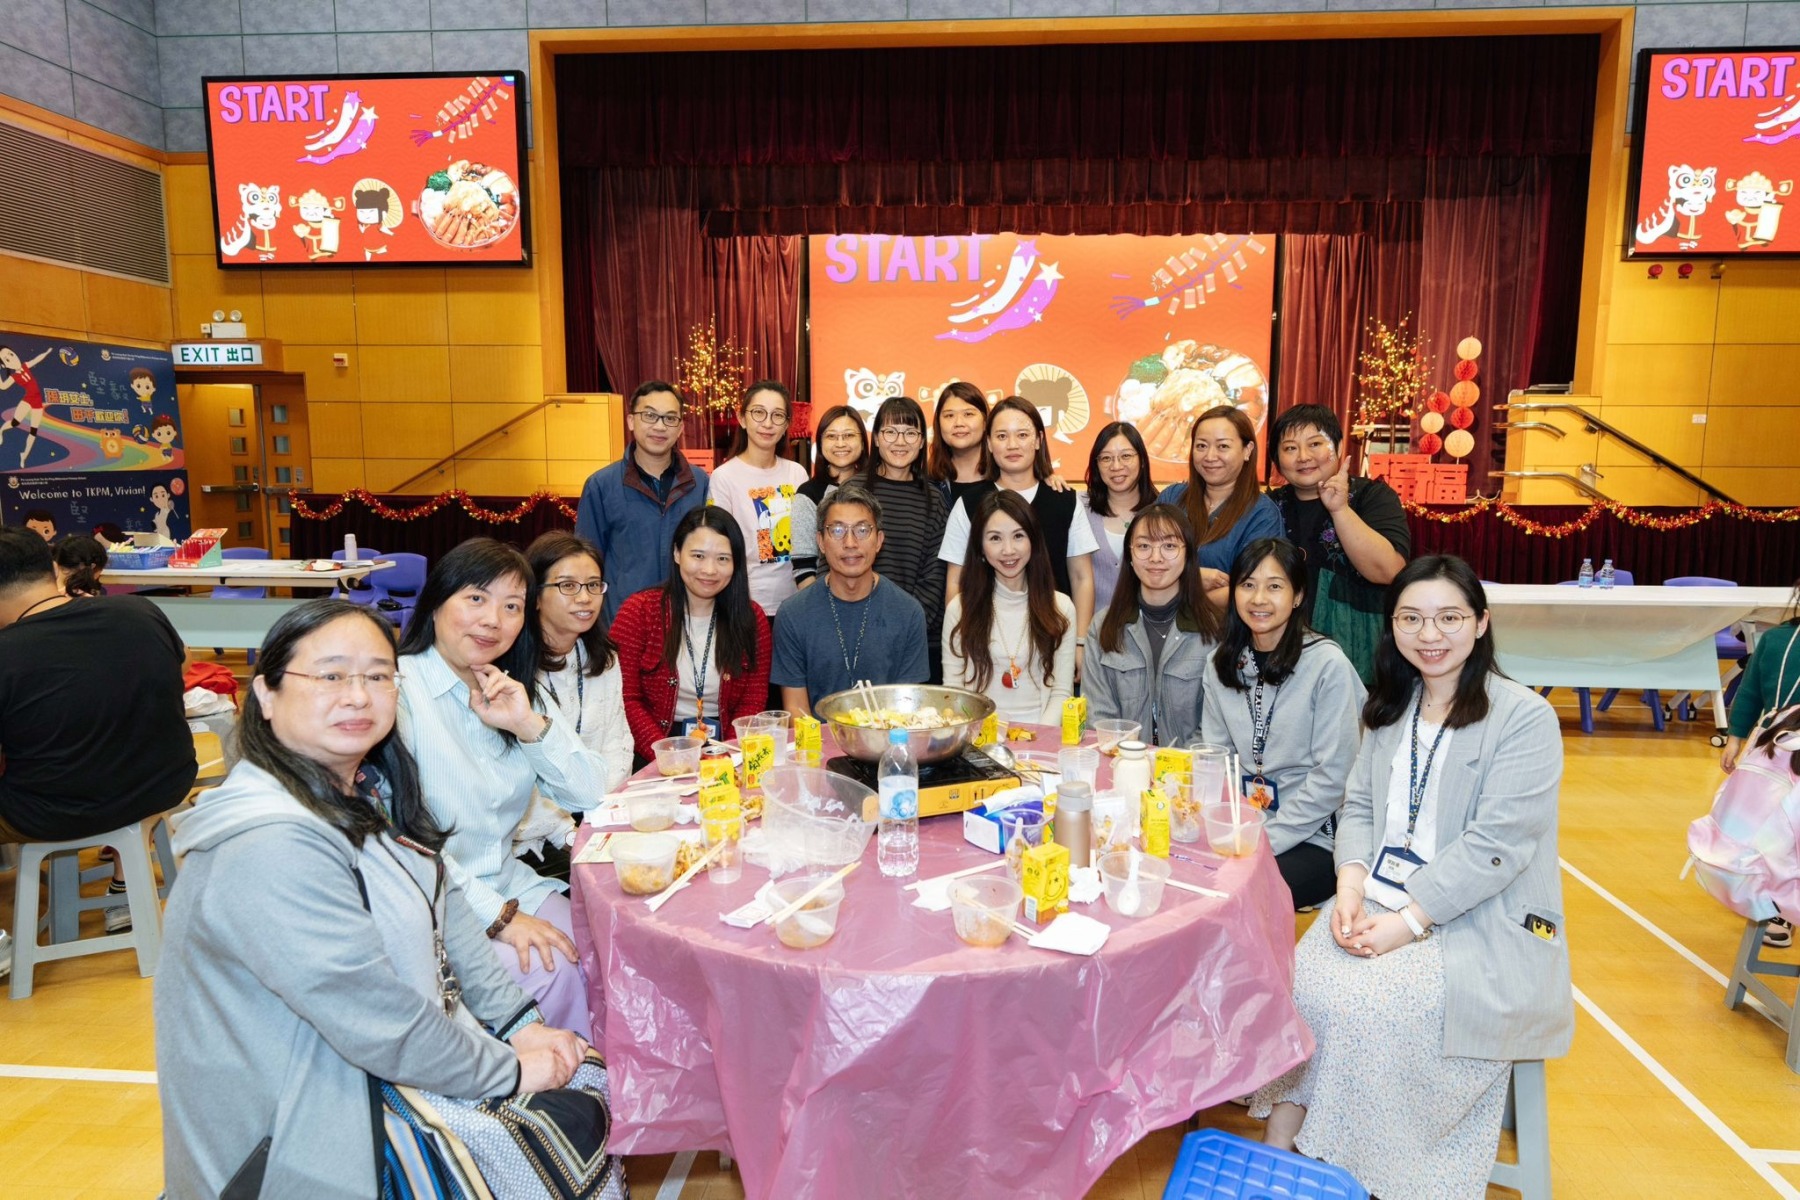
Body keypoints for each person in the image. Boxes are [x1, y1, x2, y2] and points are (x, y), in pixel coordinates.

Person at [156, 600, 622, 1199]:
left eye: (378, 676)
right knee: (568, 1121)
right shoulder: (266, 843)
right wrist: (508, 1068)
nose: (357, 696)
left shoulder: (360, 791)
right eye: (330, 675)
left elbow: (446, 903)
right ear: (266, 695)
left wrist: (520, 1025)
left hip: (376, 1082)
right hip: (305, 1137)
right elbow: (371, 1015)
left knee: (583, 1081)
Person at [1253, 555, 1572, 1200]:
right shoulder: (1392, 705)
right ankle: (1281, 1153)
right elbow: (1360, 807)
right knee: (1298, 984)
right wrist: (1348, 885)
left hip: (1477, 920)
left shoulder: (1523, 717)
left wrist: (1409, 921)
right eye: (1411, 618)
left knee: (1368, 1010)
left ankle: (1371, 1170)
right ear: (1392, 625)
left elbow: (1496, 848)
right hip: (1379, 897)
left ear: (1480, 623)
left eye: (1449, 618)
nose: (1430, 634)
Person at [396, 538, 600, 1035]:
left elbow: (593, 795)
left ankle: (593, 1071)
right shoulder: (399, 692)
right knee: (554, 968)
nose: (493, 621)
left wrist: (527, 725)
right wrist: (501, 918)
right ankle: (551, 1078)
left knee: (604, 948)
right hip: (436, 904)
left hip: (508, 881)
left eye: (511, 607)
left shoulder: (511, 688)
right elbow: (403, 842)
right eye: (476, 599)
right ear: (436, 602)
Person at [0, 527, 196, 974]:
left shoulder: (7, 652)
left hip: (58, 811)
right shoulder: (140, 611)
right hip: (163, 783)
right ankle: (122, 890)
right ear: (53, 570)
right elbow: (180, 665)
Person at [1200, 538, 1365, 909]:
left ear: (1297, 596)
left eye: (1274, 586)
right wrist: (1229, 828)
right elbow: (1218, 758)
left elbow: (1333, 779)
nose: (1259, 599)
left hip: (1314, 835)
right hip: (1242, 825)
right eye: (1248, 585)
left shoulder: (1327, 666)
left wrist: (1262, 838)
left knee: (1238, 895)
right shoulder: (1220, 664)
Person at [940, 396, 1096, 678]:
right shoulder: (969, 503)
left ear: (1038, 440)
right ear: (989, 443)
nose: (1012, 445)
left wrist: (1080, 642)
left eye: (1022, 435)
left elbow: (1082, 577)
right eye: (1002, 436)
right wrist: (961, 638)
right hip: (986, 645)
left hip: (1052, 642)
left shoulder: (1065, 500)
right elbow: (956, 580)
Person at [1267, 404, 1410, 682]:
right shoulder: (1268, 507)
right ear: (1277, 459)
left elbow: (1388, 570)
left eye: (1315, 444)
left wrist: (1340, 509)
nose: (1303, 457)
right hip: (1283, 651)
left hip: (1358, 651)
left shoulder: (1372, 496)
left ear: (1339, 446)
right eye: (1290, 448)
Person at [612, 507, 770, 756]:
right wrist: (669, 756)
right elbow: (626, 698)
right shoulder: (638, 612)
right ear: (677, 553)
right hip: (653, 745)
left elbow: (753, 698)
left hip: (727, 744)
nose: (709, 570)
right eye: (698, 556)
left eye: (722, 559)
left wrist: (728, 753)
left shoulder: (752, 618)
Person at [774, 484, 929, 714]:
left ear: (879, 540)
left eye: (862, 530)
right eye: (837, 530)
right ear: (820, 542)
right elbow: (796, 711)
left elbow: (908, 709)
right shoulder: (792, 614)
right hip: (818, 737)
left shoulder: (908, 612)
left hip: (888, 735)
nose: (850, 543)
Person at [1083, 504, 1223, 747]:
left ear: (1188, 554)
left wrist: (1174, 765)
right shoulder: (1103, 626)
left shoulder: (1214, 630)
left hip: (1189, 765)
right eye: (1144, 546)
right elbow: (1099, 719)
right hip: (1120, 763)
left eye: (1169, 546)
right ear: (1129, 555)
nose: (1155, 558)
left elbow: (1214, 726)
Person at [574, 380, 710, 627]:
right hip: (622, 622)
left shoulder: (699, 483)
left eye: (670, 418)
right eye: (649, 416)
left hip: (685, 620)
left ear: (680, 428)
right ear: (631, 421)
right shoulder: (601, 485)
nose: (659, 426)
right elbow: (586, 562)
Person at [943, 491, 1076, 723]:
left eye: (1018, 536)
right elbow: (954, 693)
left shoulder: (1061, 608)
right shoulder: (960, 609)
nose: (1008, 550)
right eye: (995, 538)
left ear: (1033, 540)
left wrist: (1036, 738)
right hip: (979, 735)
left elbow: (1062, 693)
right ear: (980, 547)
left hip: (1042, 735)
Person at [1722, 576, 1800, 947]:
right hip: (1774, 749)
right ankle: (1777, 905)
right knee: (1767, 830)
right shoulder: (1776, 640)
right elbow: (1751, 691)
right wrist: (1735, 737)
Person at [527, 531, 633, 793]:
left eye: (593, 585)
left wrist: (599, 805)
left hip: (600, 802)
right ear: (535, 595)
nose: (585, 598)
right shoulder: (516, 667)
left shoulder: (605, 658)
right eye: (568, 586)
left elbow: (617, 743)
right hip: (540, 811)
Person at [1156, 405, 1284, 608]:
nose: (1210, 456)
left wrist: (1175, 588)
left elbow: (1252, 589)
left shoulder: (1262, 514)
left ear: (1247, 450)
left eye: (1223, 446)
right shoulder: (1172, 498)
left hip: (1224, 627)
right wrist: (1194, 577)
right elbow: (1143, 562)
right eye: (1201, 446)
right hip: (1160, 623)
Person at [864, 395, 951, 682]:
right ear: (877, 438)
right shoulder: (853, 492)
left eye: (910, 433)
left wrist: (904, 627)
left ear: (922, 441)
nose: (900, 441)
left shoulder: (934, 499)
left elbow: (935, 576)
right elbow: (834, 563)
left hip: (918, 641)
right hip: (858, 636)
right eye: (890, 432)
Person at [708, 379, 809, 622]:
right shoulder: (724, 477)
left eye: (777, 415)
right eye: (758, 412)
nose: (768, 423)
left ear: (786, 425)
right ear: (742, 418)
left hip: (796, 603)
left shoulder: (797, 473)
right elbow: (720, 545)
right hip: (746, 606)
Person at [1083, 422, 1157, 615]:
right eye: (1106, 458)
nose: (1116, 466)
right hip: (1094, 629)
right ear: (1096, 465)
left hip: (1149, 627)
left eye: (1126, 456)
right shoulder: (1079, 508)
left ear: (1142, 460)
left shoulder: (1162, 510)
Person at [791, 404, 868, 587]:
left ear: (863, 442)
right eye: (831, 436)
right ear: (820, 443)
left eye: (849, 435)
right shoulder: (808, 494)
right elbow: (803, 568)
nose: (840, 443)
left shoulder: (876, 488)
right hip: (825, 597)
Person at [927, 381, 992, 513]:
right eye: (949, 415)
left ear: (985, 422)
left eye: (968, 414)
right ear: (938, 425)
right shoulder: (927, 484)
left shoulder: (1005, 476)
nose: (959, 423)